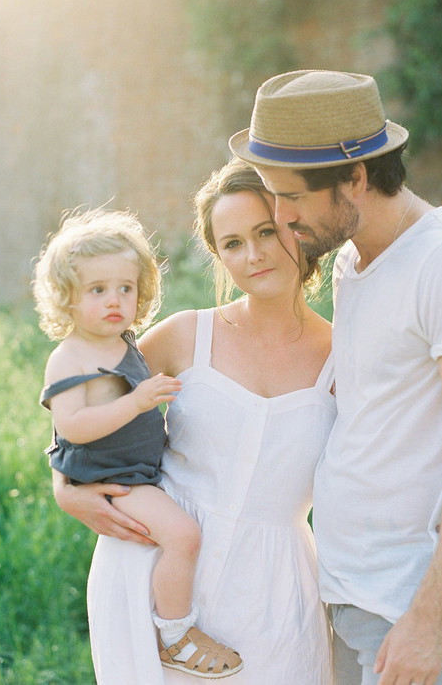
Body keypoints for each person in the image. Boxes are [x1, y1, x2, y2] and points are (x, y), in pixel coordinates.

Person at [229, 69, 442, 685]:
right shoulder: (351, 259)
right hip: (348, 593)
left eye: (292, 197)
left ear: (357, 177)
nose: (281, 218)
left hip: (413, 608)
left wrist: (428, 619)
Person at [52, 160, 336, 685]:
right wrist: (64, 486)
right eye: (231, 243)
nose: (252, 255)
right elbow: (79, 402)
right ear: (217, 256)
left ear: (298, 227)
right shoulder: (186, 335)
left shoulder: (346, 357)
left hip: (276, 595)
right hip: (152, 572)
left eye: (266, 232)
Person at [34, 208, 243, 679]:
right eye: (97, 290)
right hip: (114, 479)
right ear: (66, 298)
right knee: (184, 536)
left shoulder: (123, 344)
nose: (115, 300)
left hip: (137, 471)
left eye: (125, 289)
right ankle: (176, 636)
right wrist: (137, 402)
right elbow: (74, 427)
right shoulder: (71, 356)